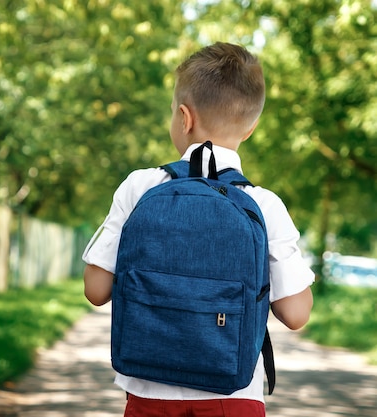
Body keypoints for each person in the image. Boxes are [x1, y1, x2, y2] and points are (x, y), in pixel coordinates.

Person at [82, 42, 314, 417]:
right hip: (234, 394)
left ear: (184, 118)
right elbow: (296, 314)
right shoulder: (265, 205)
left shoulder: (140, 187)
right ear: (251, 127)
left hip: (148, 392)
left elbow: (96, 290)